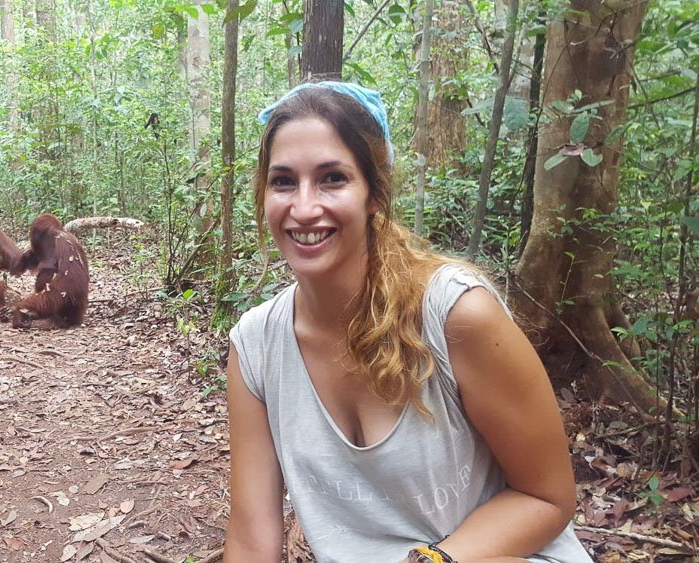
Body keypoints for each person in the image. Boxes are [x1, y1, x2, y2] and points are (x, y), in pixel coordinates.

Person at [224, 82, 592, 563]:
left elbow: (546, 497)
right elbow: (252, 539)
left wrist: (428, 560)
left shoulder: (456, 314)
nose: (305, 207)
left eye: (333, 178)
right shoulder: (255, 346)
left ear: (374, 193)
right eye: (284, 181)